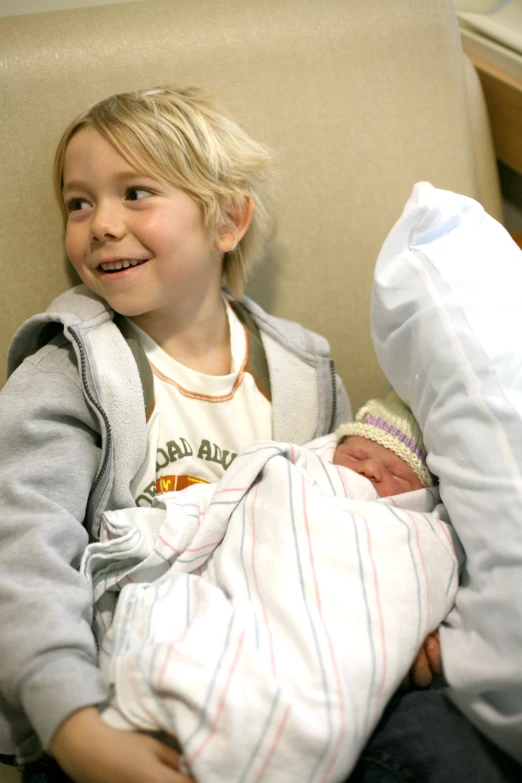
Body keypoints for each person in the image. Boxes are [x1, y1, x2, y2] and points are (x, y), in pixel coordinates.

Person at [0, 86, 351, 783]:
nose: (100, 223)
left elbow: (348, 530)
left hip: (287, 679)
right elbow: (21, 553)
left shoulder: (304, 376)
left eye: (135, 192)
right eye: (79, 201)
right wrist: (77, 730)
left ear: (227, 220)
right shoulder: (72, 371)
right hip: (117, 704)